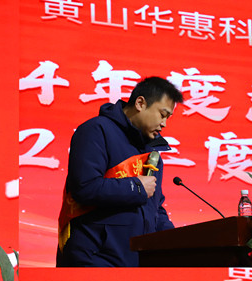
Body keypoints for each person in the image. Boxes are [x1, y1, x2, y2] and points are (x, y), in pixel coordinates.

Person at [57, 76, 184, 267]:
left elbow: (155, 207)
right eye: (162, 114)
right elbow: (84, 187)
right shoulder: (96, 130)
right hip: (94, 258)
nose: (164, 123)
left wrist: (174, 239)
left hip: (135, 262)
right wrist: (137, 187)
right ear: (140, 103)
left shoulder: (152, 152)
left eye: (168, 117)